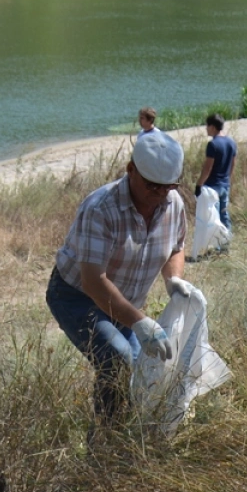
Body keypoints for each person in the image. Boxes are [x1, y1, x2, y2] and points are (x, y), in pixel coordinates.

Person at [46, 130, 193, 440]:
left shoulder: (173, 203)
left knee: (144, 370)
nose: (158, 195)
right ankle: (106, 440)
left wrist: (173, 279)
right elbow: (94, 281)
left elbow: (176, 247)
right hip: (76, 295)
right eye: (151, 185)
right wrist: (139, 321)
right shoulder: (101, 207)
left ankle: (126, 436)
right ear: (130, 171)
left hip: (123, 302)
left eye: (167, 187)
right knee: (118, 358)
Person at [194, 113, 237, 232]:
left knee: (214, 217)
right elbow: (233, 164)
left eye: (207, 126)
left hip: (213, 186)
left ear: (212, 127)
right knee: (224, 214)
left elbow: (208, 168)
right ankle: (226, 242)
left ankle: (217, 245)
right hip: (225, 184)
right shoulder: (231, 142)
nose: (206, 128)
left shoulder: (213, 144)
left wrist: (199, 184)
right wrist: (228, 179)